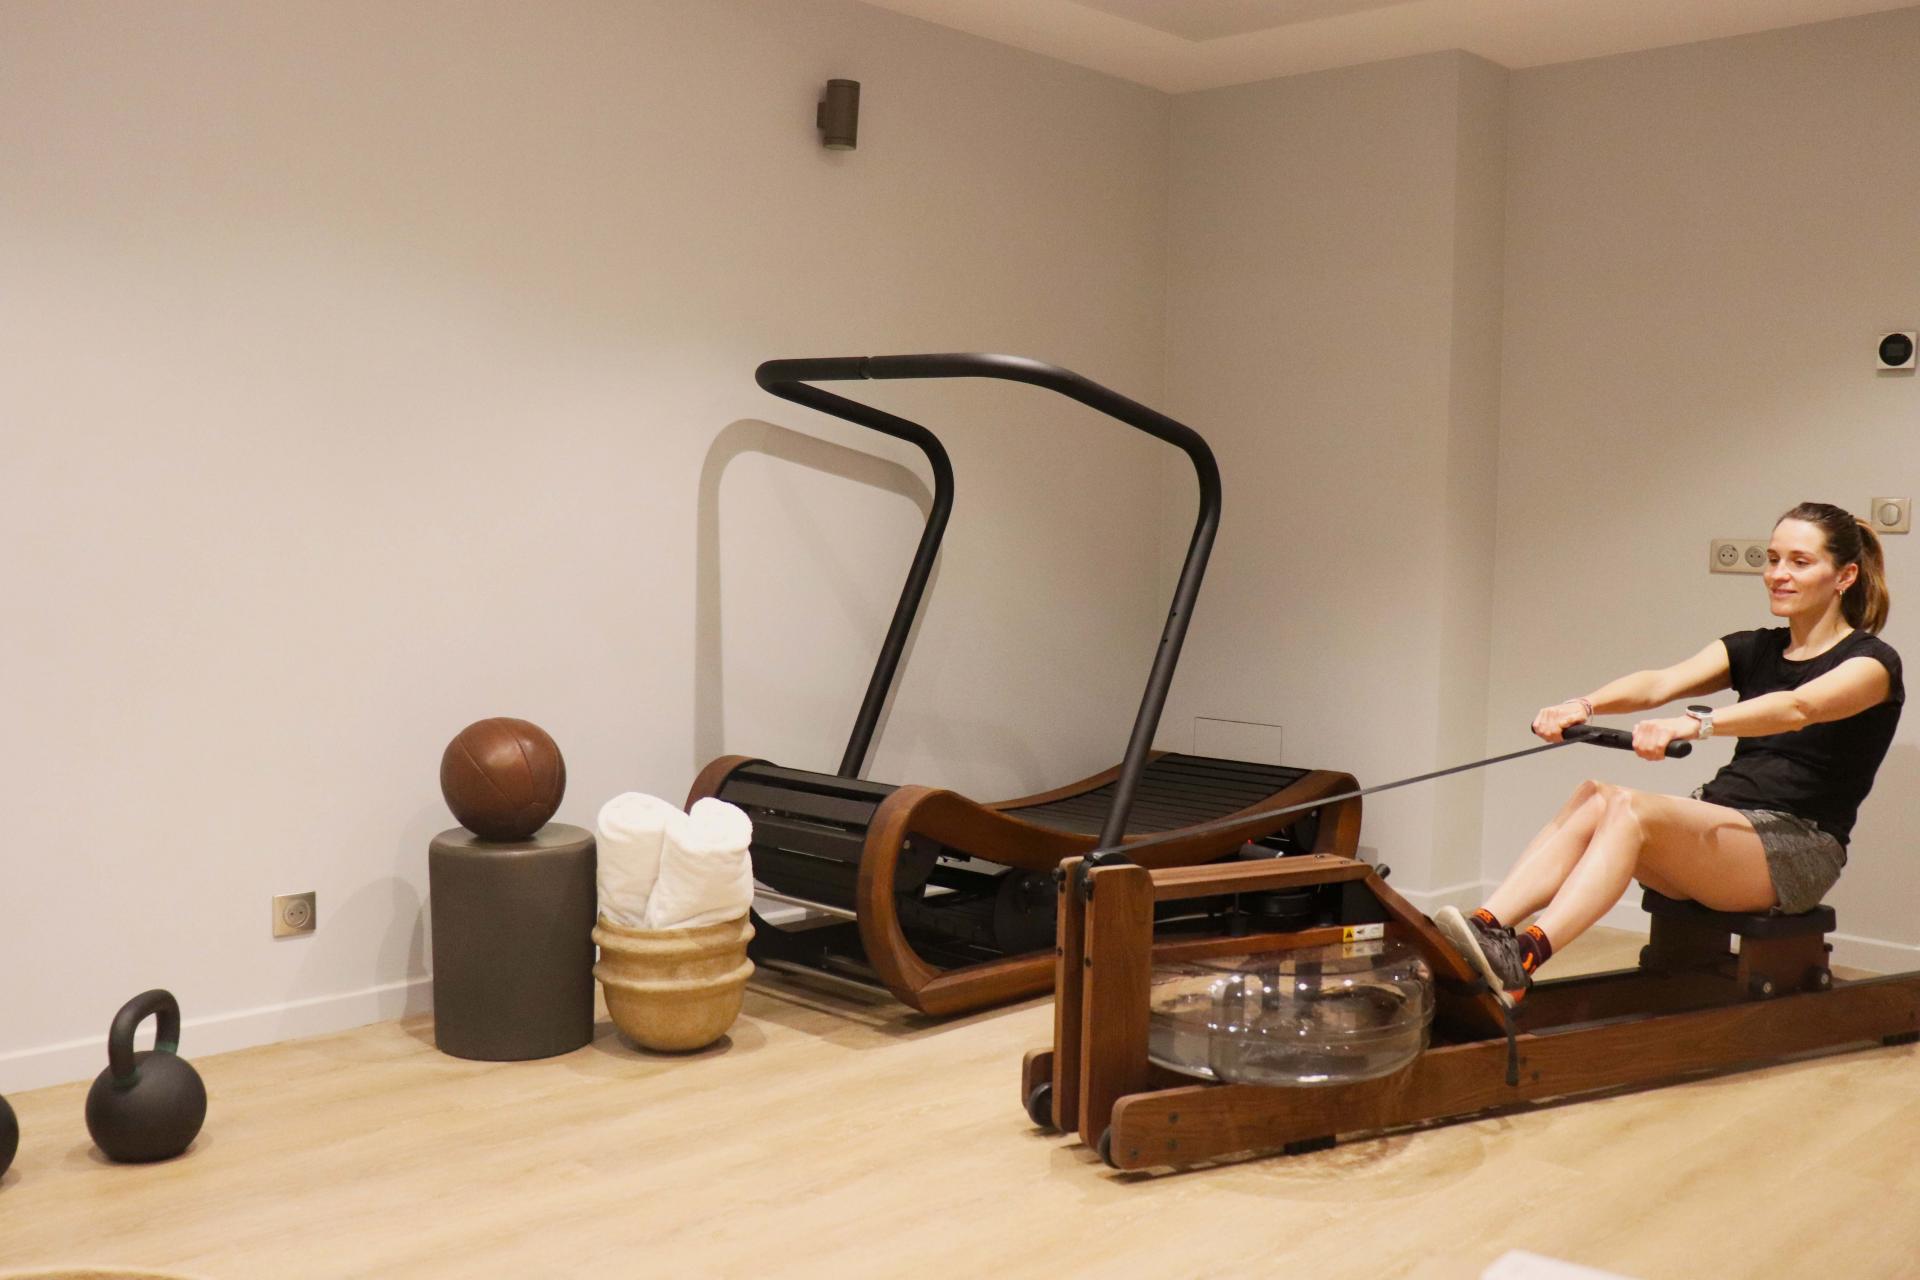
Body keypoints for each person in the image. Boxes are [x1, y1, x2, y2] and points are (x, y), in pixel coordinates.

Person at [1436, 502, 1903, 1007]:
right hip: (1721, 825)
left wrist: (1699, 723)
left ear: (1845, 576)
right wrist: (1583, 704)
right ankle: (1486, 928)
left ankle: (1525, 956)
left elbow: (1798, 707)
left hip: (1795, 848)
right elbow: (1659, 683)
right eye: (1772, 559)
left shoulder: (1871, 664)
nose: (1778, 574)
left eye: (1799, 562)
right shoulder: (1756, 648)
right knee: (1596, 795)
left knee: (1631, 809)